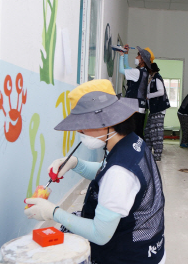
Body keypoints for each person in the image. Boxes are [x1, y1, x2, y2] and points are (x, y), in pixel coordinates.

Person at [24, 79, 166, 264]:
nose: (80, 131)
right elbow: (105, 170)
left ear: (104, 121)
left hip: (130, 256)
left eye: (84, 124)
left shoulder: (120, 174)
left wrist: (53, 212)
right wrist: (75, 163)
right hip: (147, 245)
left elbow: (99, 234)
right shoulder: (131, 141)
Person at [119, 44, 155, 139]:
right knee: (137, 133)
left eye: (138, 55)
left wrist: (121, 56)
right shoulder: (142, 71)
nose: (136, 57)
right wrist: (126, 54)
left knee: (134, 134)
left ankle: (138, 152)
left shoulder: (138, 72)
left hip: (135, 107)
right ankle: (139, 152)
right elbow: (127, 68)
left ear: (142, 60)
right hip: (139, 106)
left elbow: (122, 70)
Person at [145, 62, 170, 162]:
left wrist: (148, 96)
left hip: (159, 110)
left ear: (150, 70)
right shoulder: (152, 79)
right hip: (153, 110)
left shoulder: (157, 78)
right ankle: (149, 152)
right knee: (148, 131)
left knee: (156, 133)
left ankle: (157, 154)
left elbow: (161, 92)